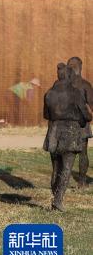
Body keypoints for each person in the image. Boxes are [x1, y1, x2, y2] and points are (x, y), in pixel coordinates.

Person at [44, 63, 91, 211]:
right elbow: (87, 116)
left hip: (53, 132)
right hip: (70, 133)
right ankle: (58, 200)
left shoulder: (49, 94)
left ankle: (55, 196)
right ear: (69, 76)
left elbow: (46, 115)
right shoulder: (75, 93)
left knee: (56, 167)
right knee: (66, 168)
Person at [66, 57, 93, 188]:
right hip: (82, 125)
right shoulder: (85, 85)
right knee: (83, 153)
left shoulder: (62, 85)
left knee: (66, 154)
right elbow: (91, 105)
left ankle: (63, 181)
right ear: (80, 67)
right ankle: (82, 182)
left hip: (66, 124)